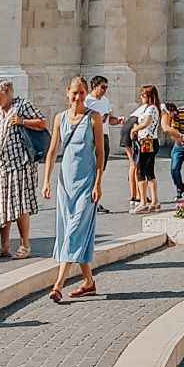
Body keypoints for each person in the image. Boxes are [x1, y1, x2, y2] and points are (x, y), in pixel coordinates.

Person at [42, 74, 104, 302]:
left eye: (81, 92)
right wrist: (46, 181)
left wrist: (98, 183)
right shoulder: (60, 118)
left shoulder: (94, 118)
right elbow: (52, 151)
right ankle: (88, 282)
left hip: (86, 185)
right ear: (67, 93)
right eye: (74, 92)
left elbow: (100, 153)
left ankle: (58, 284)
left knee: (74, 230)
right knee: (73, 232)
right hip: (65, 185)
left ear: (86, 93)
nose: (77, 97)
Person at [0, 78, 47, 258]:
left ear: (7, 92)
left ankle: (25, 246)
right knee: (1, 207)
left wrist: (22, 121)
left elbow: (43, 123)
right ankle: (4, 246)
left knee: (20, 206)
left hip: (19, 167)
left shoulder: (22, 106)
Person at [85, 75, 124, 213]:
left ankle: (95, 201)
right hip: (91, 138)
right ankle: (88, 201)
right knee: (90, 170)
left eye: (106, 87)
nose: (105, 90)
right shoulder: (87, 101)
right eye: (103, 87)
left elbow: (109, 119)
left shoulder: (106, 101)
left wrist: (117, 120)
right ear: (94, 86)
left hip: (104, 137)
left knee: (100, 170)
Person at [129, 83, 162, 212]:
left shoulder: (151, 108)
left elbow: (147, 122)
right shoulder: (150, 108)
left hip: (147, 141)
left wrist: (135, 129)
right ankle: (154, 201)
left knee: (141, 170)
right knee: (149, 171)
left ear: (149, 96)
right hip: (149, 141)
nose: (141, 97)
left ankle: (143, 201)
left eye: (143, 95)